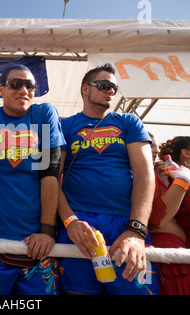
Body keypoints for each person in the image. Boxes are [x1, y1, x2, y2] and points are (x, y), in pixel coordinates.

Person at [56, 63, 158, 295]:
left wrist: (136, 230)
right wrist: (70, 221)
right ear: (85, 89)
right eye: (104, 85)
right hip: (79, 225)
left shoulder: (129, 122)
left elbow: (145, 174)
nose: (111, 91)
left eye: (114, 87)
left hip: (125, 223)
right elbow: (53, 178)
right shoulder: (64, 125)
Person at [0, 64, 65, 295]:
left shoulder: (43, 114)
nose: (23, 90)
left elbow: (50, 176)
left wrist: (46, 231)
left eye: (29, 85)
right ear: (1, 90)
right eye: (15, 84)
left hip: (37, 246)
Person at [148, 132, 190, 295]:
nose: (157, 152)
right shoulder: (148, 175)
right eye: (150, 145)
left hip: (184, 253)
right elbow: (159, 218)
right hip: (167, 253)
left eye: (156, 146)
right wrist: (183, 179)